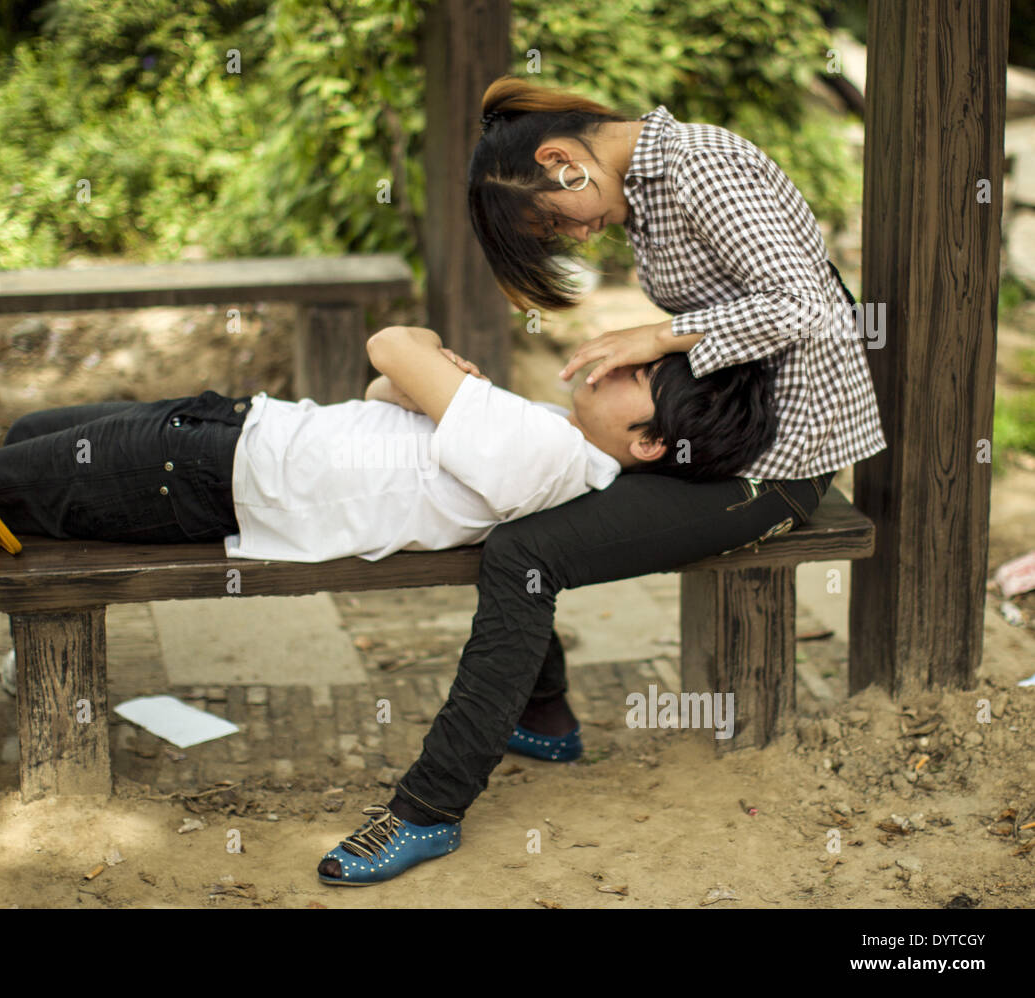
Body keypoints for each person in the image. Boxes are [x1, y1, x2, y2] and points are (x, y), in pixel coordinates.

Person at [317, 76, 885, 886]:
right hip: (718, 444)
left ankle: (428, 810)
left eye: (553, 220)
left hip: (776, 465)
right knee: (510, 497)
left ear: (563, 162)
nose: (572, 239)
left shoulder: (698, 169)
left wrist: (655, 333)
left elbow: (806, 306)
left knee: (524, 554)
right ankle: (542, 718)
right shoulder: (656, 186)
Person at [0, 323, 777, 767]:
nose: (612, 359)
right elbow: (389, 400)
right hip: (223, 437)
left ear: (649, 438)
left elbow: (389, 345)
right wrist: (421, 377)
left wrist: (422, 348)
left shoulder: (536, 446)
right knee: (26, 438)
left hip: (196, 473)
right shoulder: (559, 451)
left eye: (638, 372)